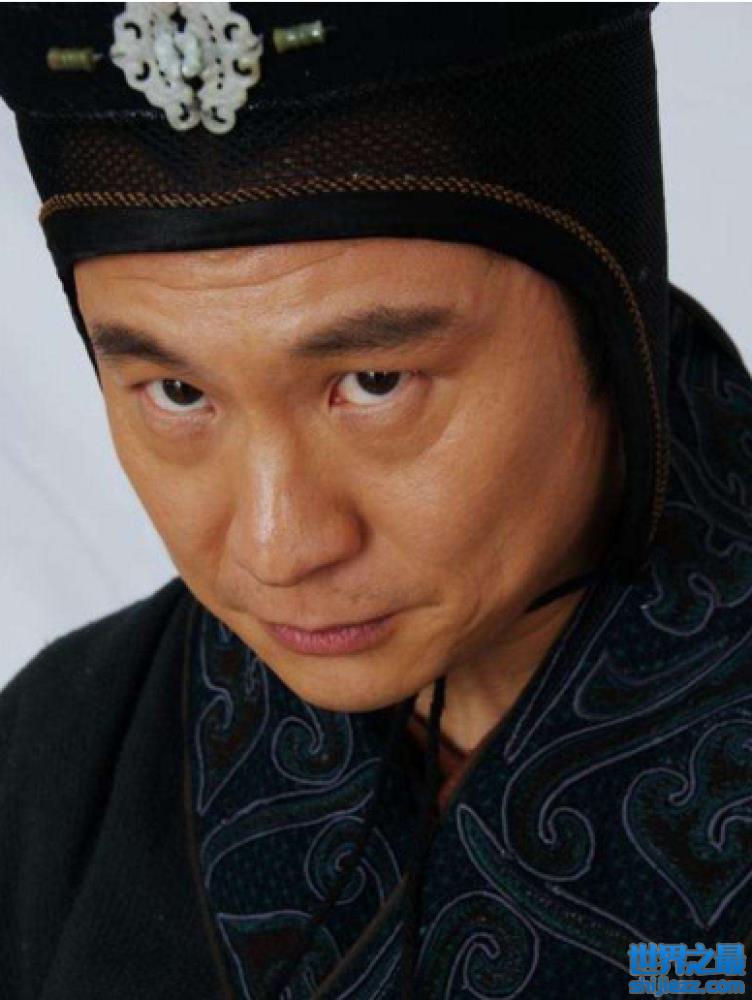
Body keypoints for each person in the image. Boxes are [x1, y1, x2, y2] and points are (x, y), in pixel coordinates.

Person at [1, 4, 750, 998]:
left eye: (375, 382)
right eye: (177, 392)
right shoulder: (64, 751)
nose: (278, 547)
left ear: (609, 321)